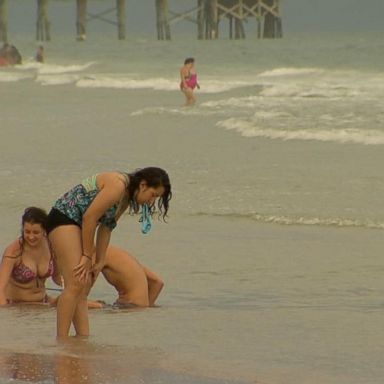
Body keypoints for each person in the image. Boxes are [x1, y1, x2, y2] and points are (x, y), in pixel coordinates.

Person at [46, 168, 171, 338]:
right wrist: (87, 256)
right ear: (143, 185)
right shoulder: (117, 185)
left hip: (78, 224)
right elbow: (89, 217)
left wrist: (100, 260)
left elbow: (106, 227)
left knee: (82, 287)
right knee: (74, 283)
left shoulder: (125, 198)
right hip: (63, 218)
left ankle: (82, 338)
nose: (151, 202)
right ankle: (61, 340)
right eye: (153, 195)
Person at [0, 207, 57, 305]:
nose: (31, 237)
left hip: (43, 302)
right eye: (27, 232)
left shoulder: (51, 245)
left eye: (36, 232)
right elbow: (0, 290)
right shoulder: (13, 252)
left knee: (84, 305)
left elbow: (59, 278)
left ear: (44, 230)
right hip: (16, 306)